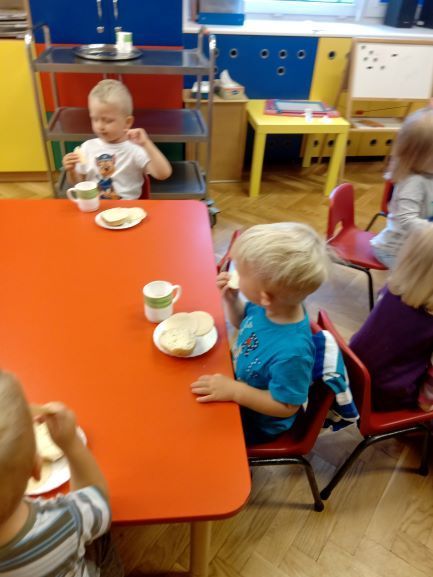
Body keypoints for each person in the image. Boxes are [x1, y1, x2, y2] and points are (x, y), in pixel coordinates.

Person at [190, 222, 331, 446]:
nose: (235, 275)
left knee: (198, 437)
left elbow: (286, 406)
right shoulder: (270, 307)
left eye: (241, 272)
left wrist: (235, 391)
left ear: (265, 296)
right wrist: (231, 300)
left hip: (257, 422)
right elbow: (242, 322)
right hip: (237, 382)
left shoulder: (293, 354)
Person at [0, 370, 123, 576]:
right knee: (102, 539)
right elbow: (98, 500)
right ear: (36, 468)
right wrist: (71, 444)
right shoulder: (65, 520)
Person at [351, 225, 433, 412]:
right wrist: (426, 406)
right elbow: (428, 395)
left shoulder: (390, 290)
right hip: (385, 396)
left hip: (352, 374)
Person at [62, 79, 172, 199]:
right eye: (95, 119)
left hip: (128, 208)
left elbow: (163, 174)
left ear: (127, 122)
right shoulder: (87, 147)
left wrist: (146, 144)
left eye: (108, 120)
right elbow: (78, 183)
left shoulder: (135, 148)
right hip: (96, 207)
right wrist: (72, 171)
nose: (100, 126)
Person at [370, 106, 433, 268]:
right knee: (415, 279)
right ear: (420, 156)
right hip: (393, 250)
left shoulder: (428, 173)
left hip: (416, 247)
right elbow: (407, 220)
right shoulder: (414, 183)